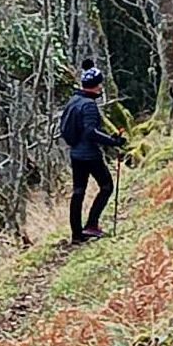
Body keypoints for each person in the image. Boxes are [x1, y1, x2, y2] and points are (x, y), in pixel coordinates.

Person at [59, 67, 126, 245]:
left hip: (75, 153)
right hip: (90, 155)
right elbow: (91, 132)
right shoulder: (88, 105)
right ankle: (91, 224)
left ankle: (76, 234)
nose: (101, 87)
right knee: (107, 186)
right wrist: (113, 142)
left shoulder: (74, 100)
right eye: (100, 84)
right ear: (96, 86)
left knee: (78, 192)